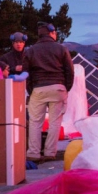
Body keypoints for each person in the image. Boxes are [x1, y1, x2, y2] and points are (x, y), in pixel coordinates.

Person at [23, 22, 74, 163]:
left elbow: (26, 73)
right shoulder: (61, 49)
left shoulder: (30, 51)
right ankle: (50, 152)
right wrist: (65, 88)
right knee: (55, 122)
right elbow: (70, 71)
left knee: (34, 122)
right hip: (58, 88)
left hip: (38, 88)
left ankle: (33, 153)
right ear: (51, 33)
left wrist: (31, 90)